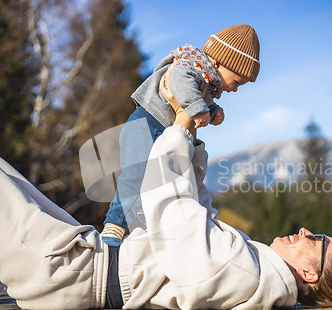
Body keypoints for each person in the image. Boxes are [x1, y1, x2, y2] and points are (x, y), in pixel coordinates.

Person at [0, 76, 332, 310]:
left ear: (311, 274)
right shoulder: (255, 268)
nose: (305, 230)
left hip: (68, 271)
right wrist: (194, 142)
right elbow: (198, 211)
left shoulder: (250, 273)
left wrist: (181, 127)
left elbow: (170, 211)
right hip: (84, 263)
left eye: (316, 240)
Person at [101, 24, 260, 247]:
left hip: (160, 130)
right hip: (145, 125)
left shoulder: (205, 80)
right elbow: (179, 82)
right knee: (134, 176)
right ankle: (114, 224)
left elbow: (194, 96)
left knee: (156, 183)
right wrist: (199, 109)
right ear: (219, 63)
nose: (235, 89)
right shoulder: (193, 64)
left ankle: (140, 228)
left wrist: (213, 111)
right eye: (237, 82)